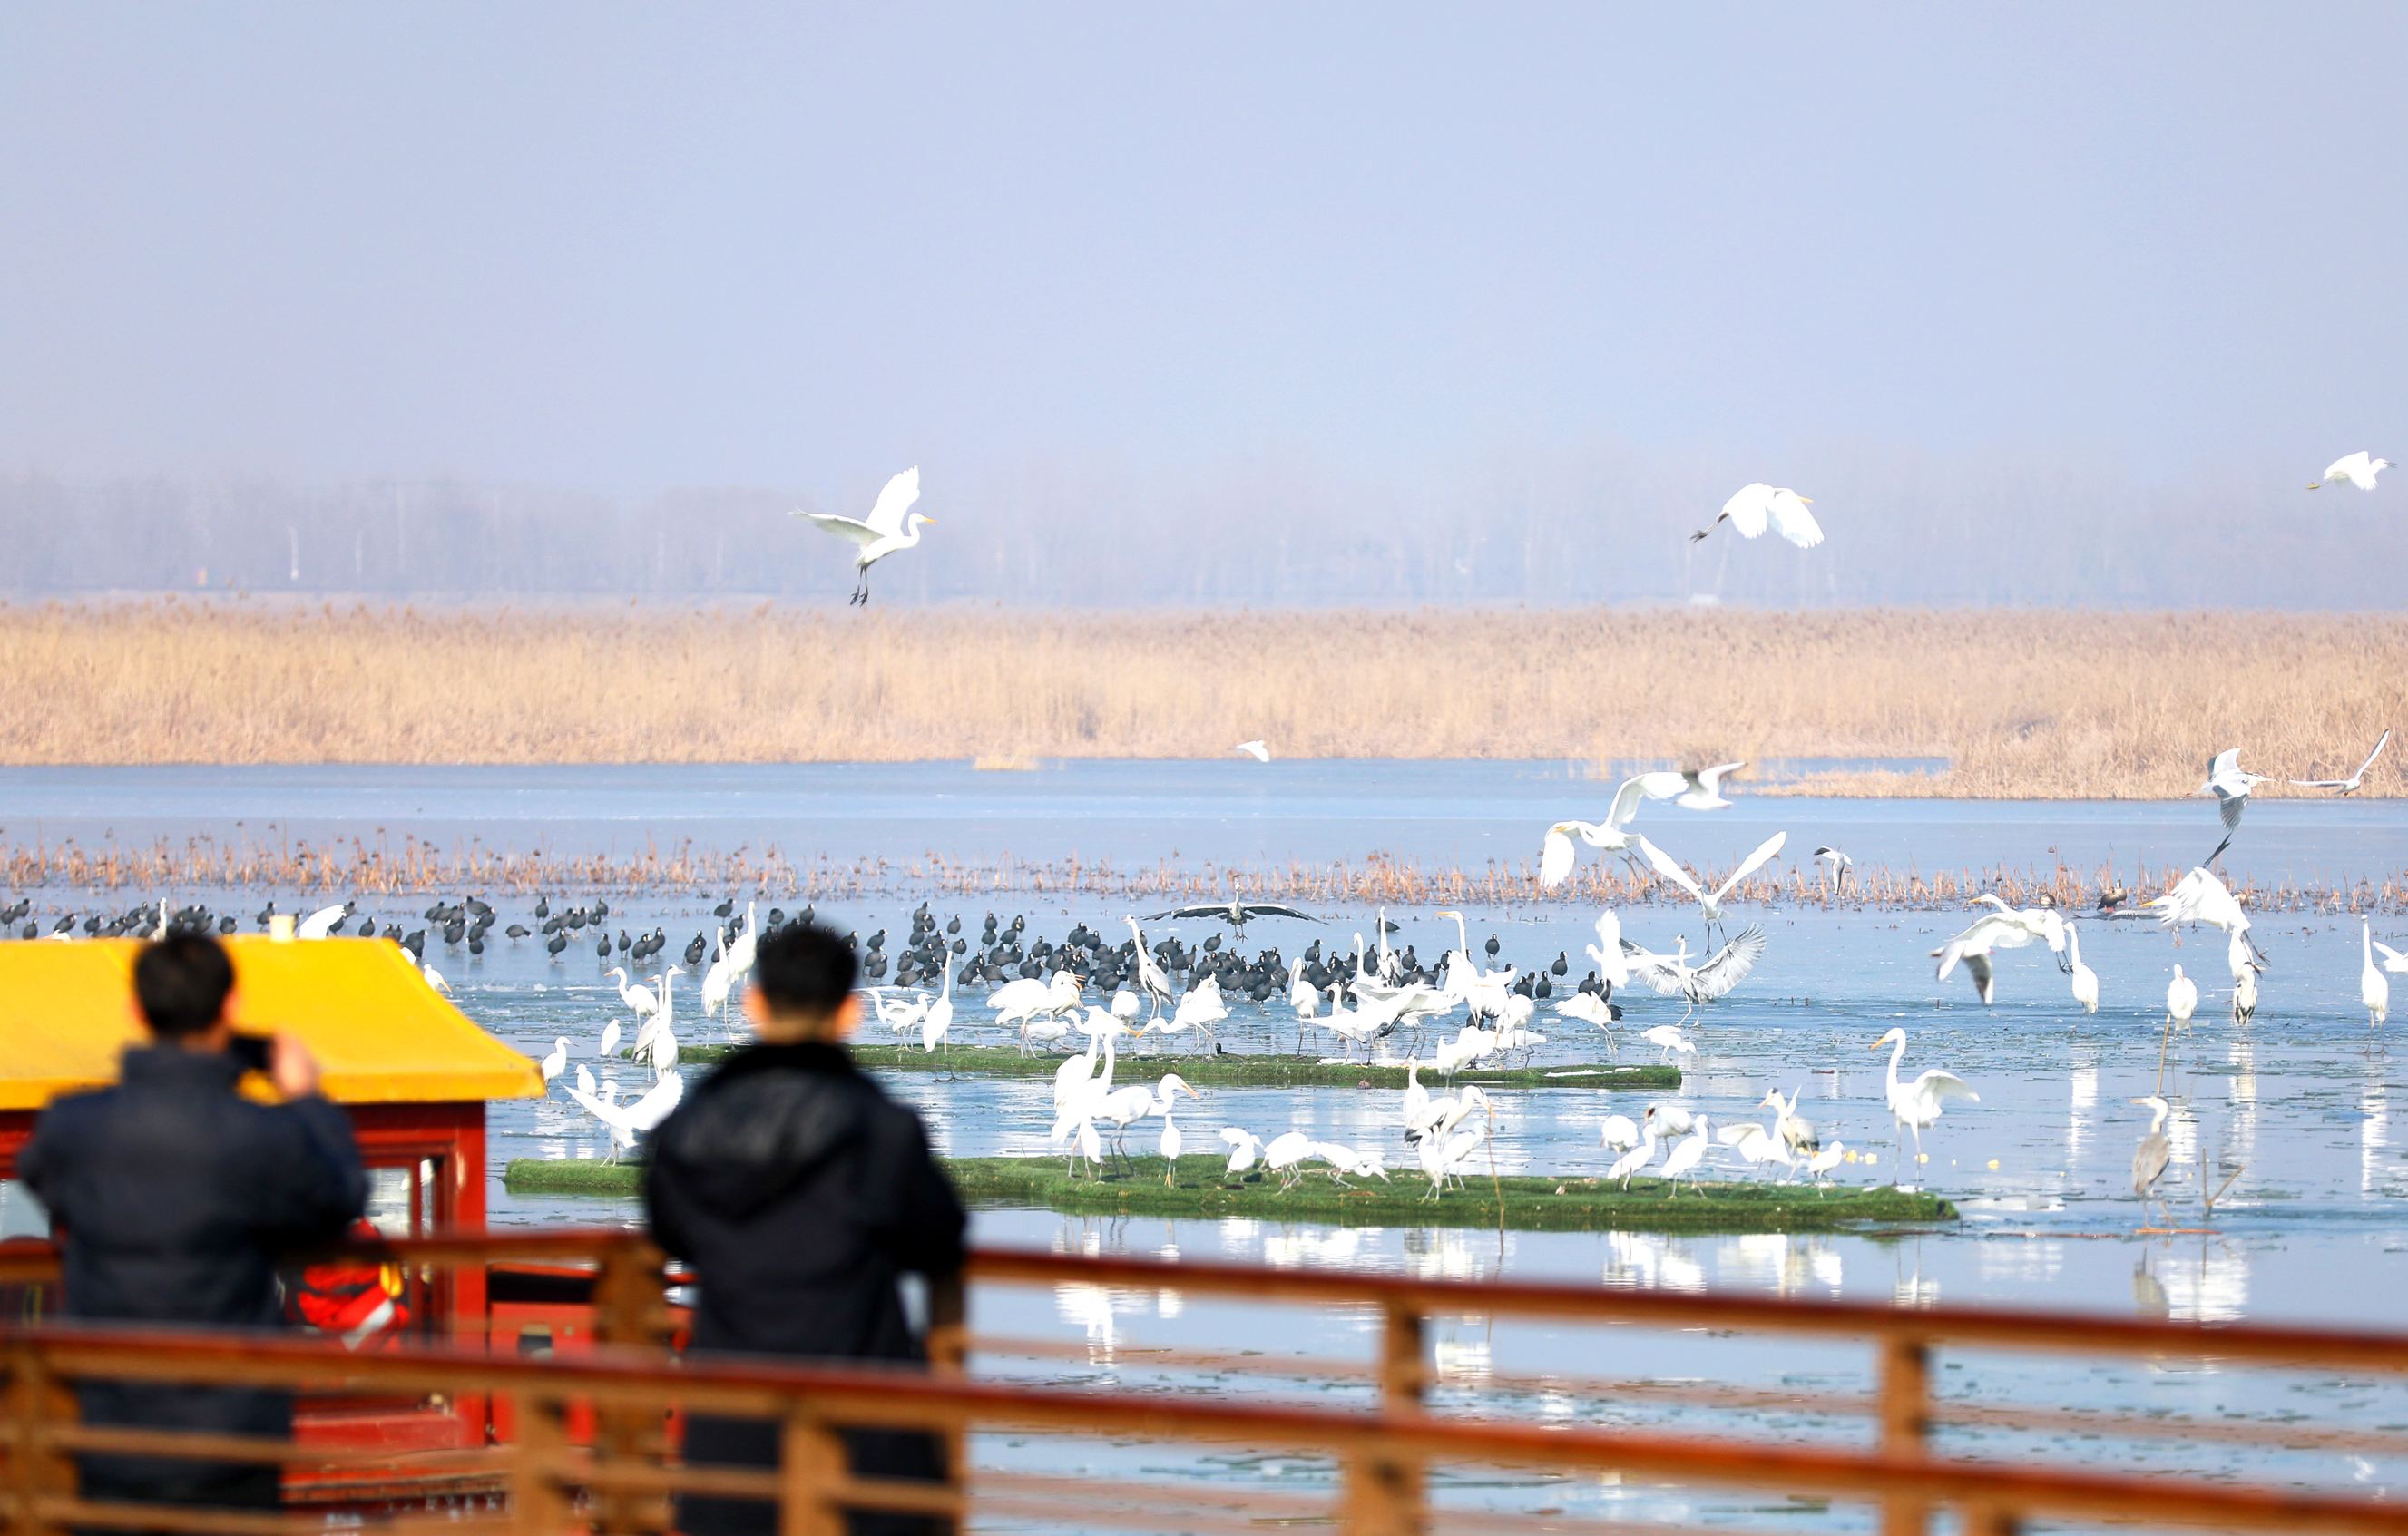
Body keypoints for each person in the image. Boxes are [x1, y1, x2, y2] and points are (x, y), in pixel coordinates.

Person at [19, 933, 367, 1517]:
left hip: (111, 1430)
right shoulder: (261, 1135)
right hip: (230, 1437)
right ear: (231, 1007)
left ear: (135, 1011)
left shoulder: (71, 1128)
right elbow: (343, 1195)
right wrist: (307, 1097)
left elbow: (41, 1178)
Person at [646, 921, 966, 1536]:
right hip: (863, 1446)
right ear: (850, 1013)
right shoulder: (884, 1131)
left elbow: (670, 1233)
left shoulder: (687, 1133)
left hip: (730, 1445)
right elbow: (939, 1238)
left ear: (754, 1005)